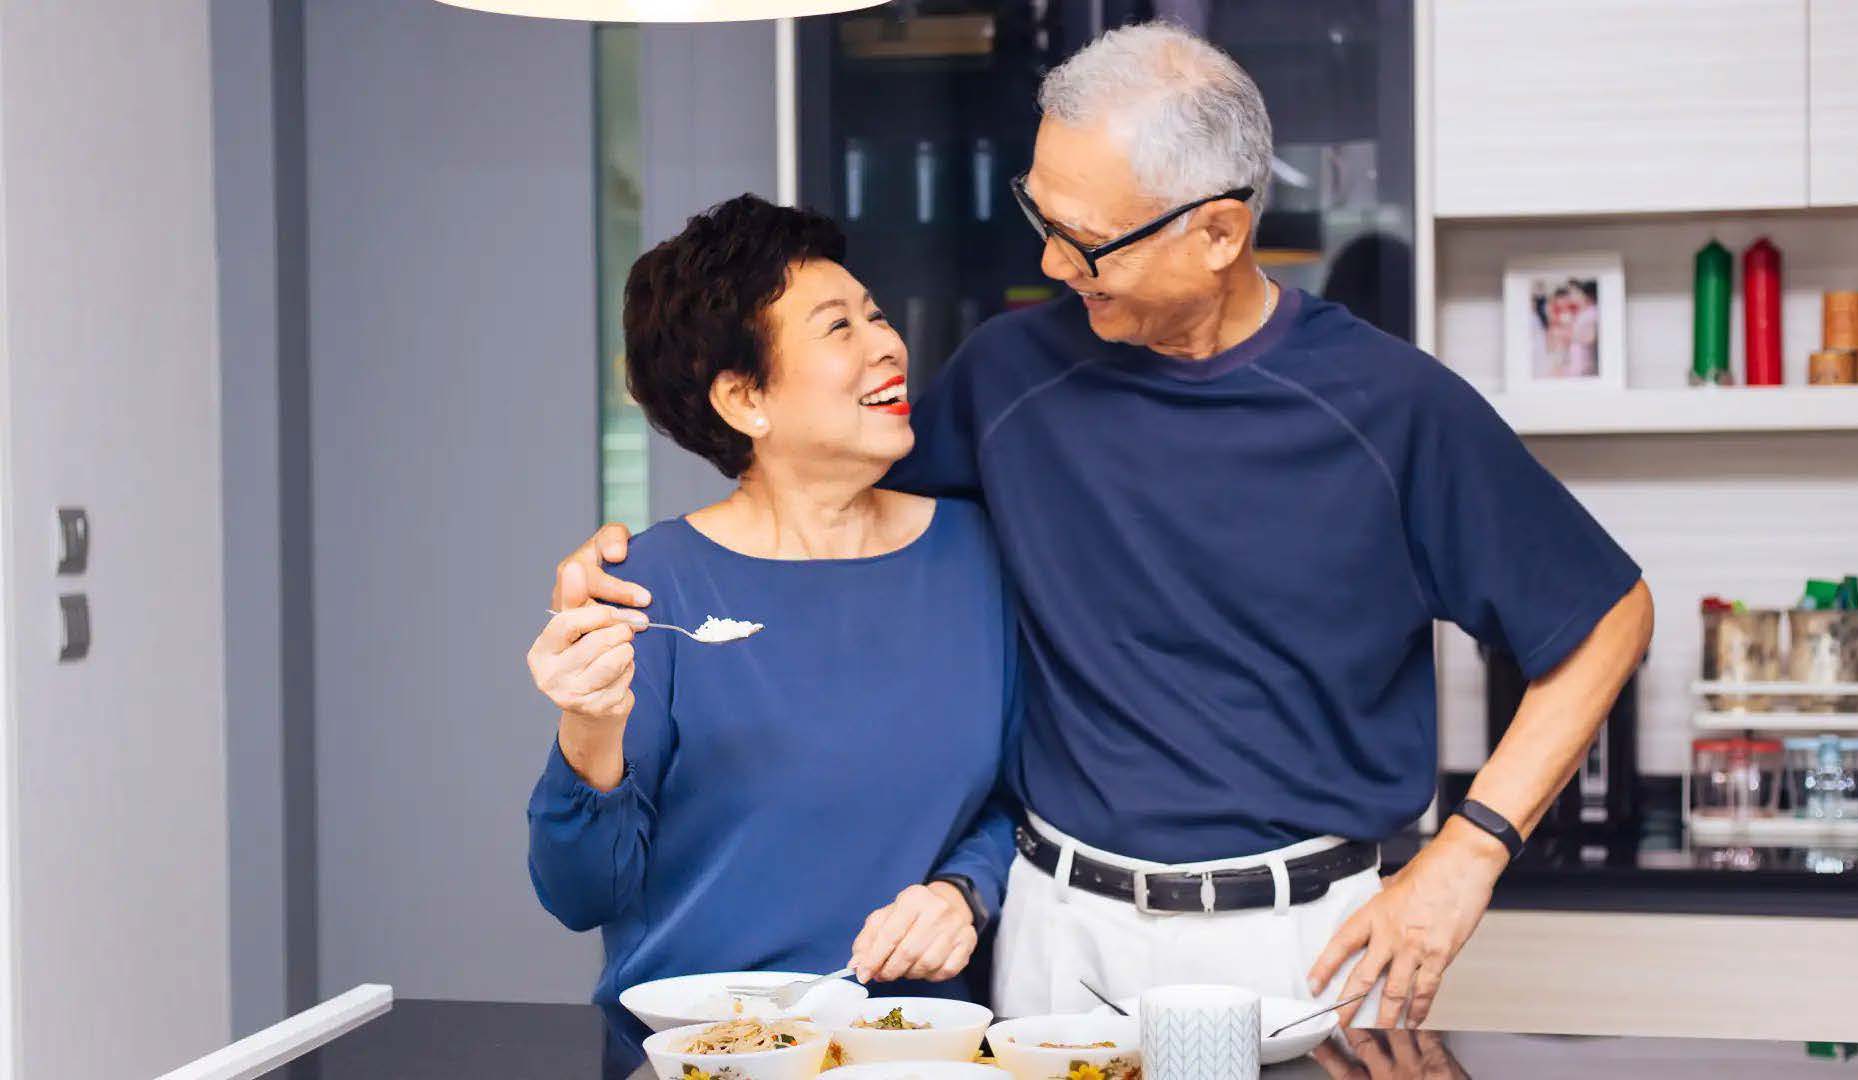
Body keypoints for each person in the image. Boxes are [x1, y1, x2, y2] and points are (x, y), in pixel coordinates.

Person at [556, 22, 1652, 1034]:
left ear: (1219, 229)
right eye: (1042, 218)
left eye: (1085, 242)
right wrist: (637, 580)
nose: (1049, 266)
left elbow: (1605, 615)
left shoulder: (1389, 407)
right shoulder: (1007, 373)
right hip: (1055, 933)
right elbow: (819, 507)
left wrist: (1469, 853)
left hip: (1304, 947)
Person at [524, 194, 1018, 1078]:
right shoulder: (648, 587)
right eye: (838, 328)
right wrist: (588, 725)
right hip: (708, 1062)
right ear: (745, 397)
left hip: (921, 1054)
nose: (886, 344)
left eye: (875, 314)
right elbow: (580, 892)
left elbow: (1015, 800)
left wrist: (962, 892)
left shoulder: (976, 555)